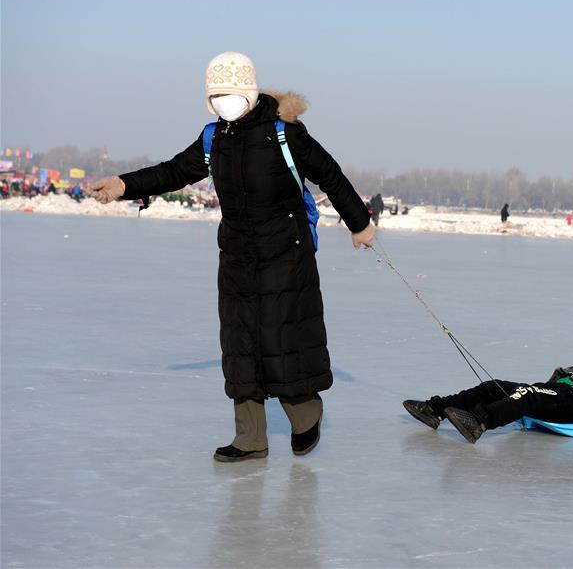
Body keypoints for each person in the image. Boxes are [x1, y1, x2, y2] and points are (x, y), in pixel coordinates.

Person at [85, 52, 376, 462]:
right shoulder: (213, 138)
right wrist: (123, 184)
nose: (224, 100)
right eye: (216, 94)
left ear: (249, 92)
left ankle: (306, 412)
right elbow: (173, 171)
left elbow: (330, 174)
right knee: (239, 343)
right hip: (238, 255)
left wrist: (359, 222)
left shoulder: (284, 133)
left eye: (231, 92)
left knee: (280, 337)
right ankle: (250, 438)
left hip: (285, 253)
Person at [403, 362, 573, 443]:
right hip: (557, 391)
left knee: (526, 397)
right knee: (492, 386)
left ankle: (480, 422)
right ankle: (435, 409)